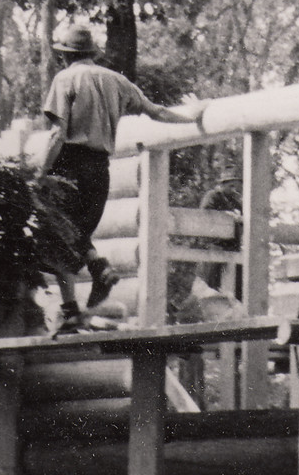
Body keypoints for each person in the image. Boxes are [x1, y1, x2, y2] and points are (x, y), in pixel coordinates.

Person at [38, 21, 207, 335]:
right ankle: (95, 273)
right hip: (101, 171)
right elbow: (157, 112)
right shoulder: (117, 81)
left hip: (69, 167)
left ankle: (74, 306)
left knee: (54, 234)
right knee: (74, 234)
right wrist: (193, 115)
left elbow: (57, 134)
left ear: (65, 56)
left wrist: (39, 174)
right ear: (92, 53)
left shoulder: (65, 78)